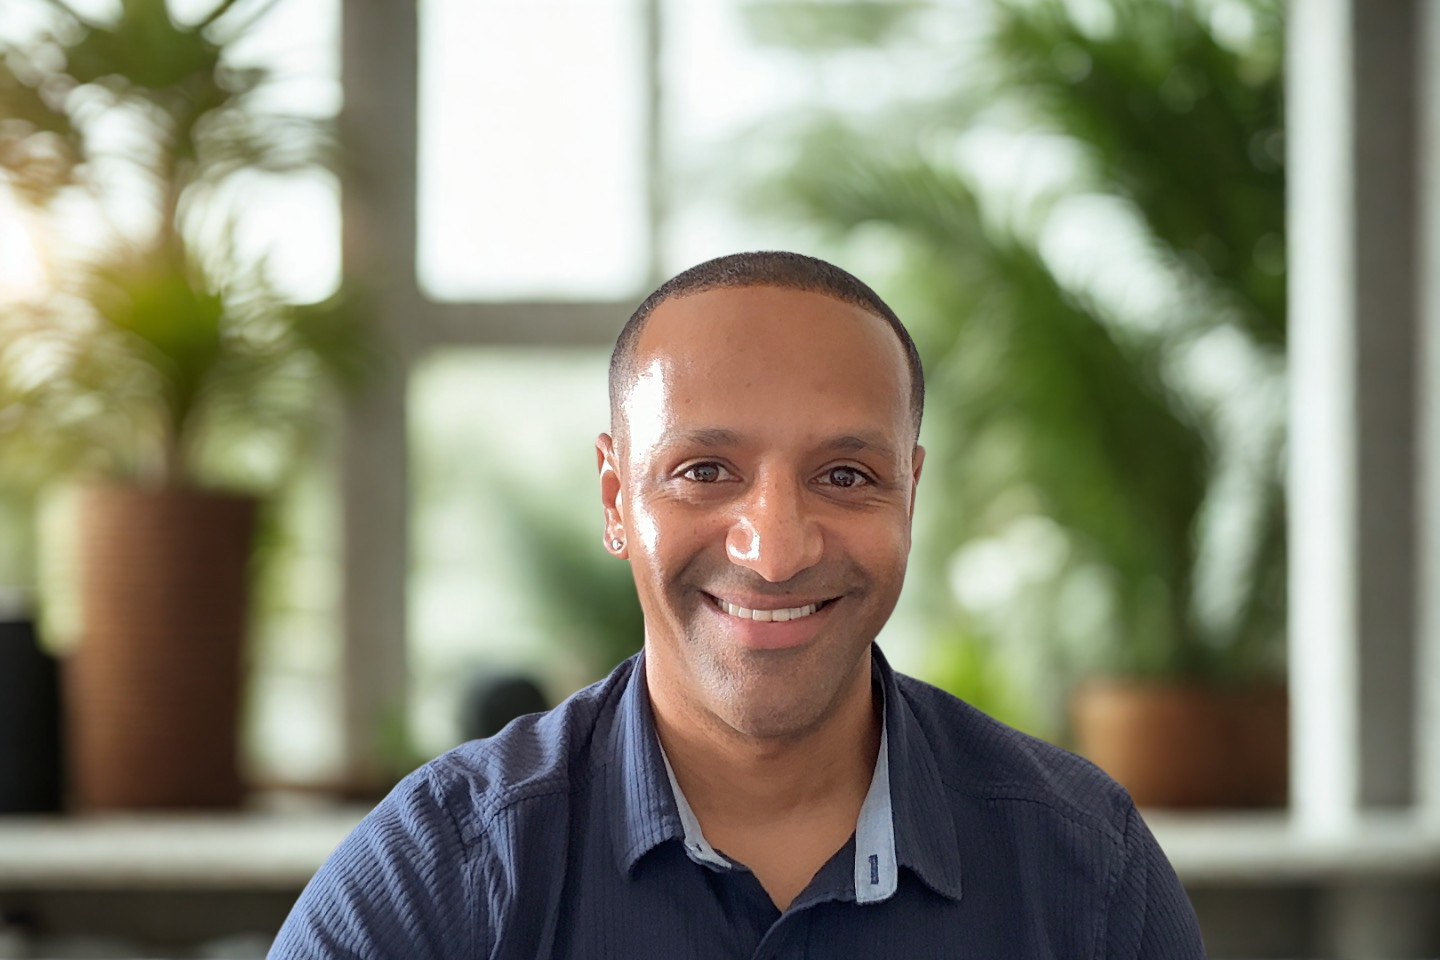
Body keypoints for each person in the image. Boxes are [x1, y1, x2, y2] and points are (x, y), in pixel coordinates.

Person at [269, 251, 1207, 958]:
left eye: (846, 475)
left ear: (910, 496)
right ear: (614, 500)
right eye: (704, 471)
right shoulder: (442, 873)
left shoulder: (1086, 869)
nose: (775, 548)